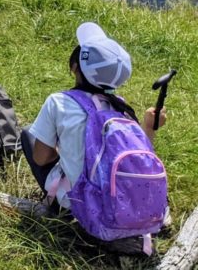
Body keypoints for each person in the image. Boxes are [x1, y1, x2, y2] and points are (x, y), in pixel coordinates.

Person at [21, 22, 167, 211]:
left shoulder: (57, 102)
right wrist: (149, 127)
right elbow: (139, 160)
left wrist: (68, 153)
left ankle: (59, 205)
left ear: (75, 67)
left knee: (28, 134)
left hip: (78, 204)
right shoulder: (121, 109)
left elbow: (42, 159)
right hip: (118, 206)